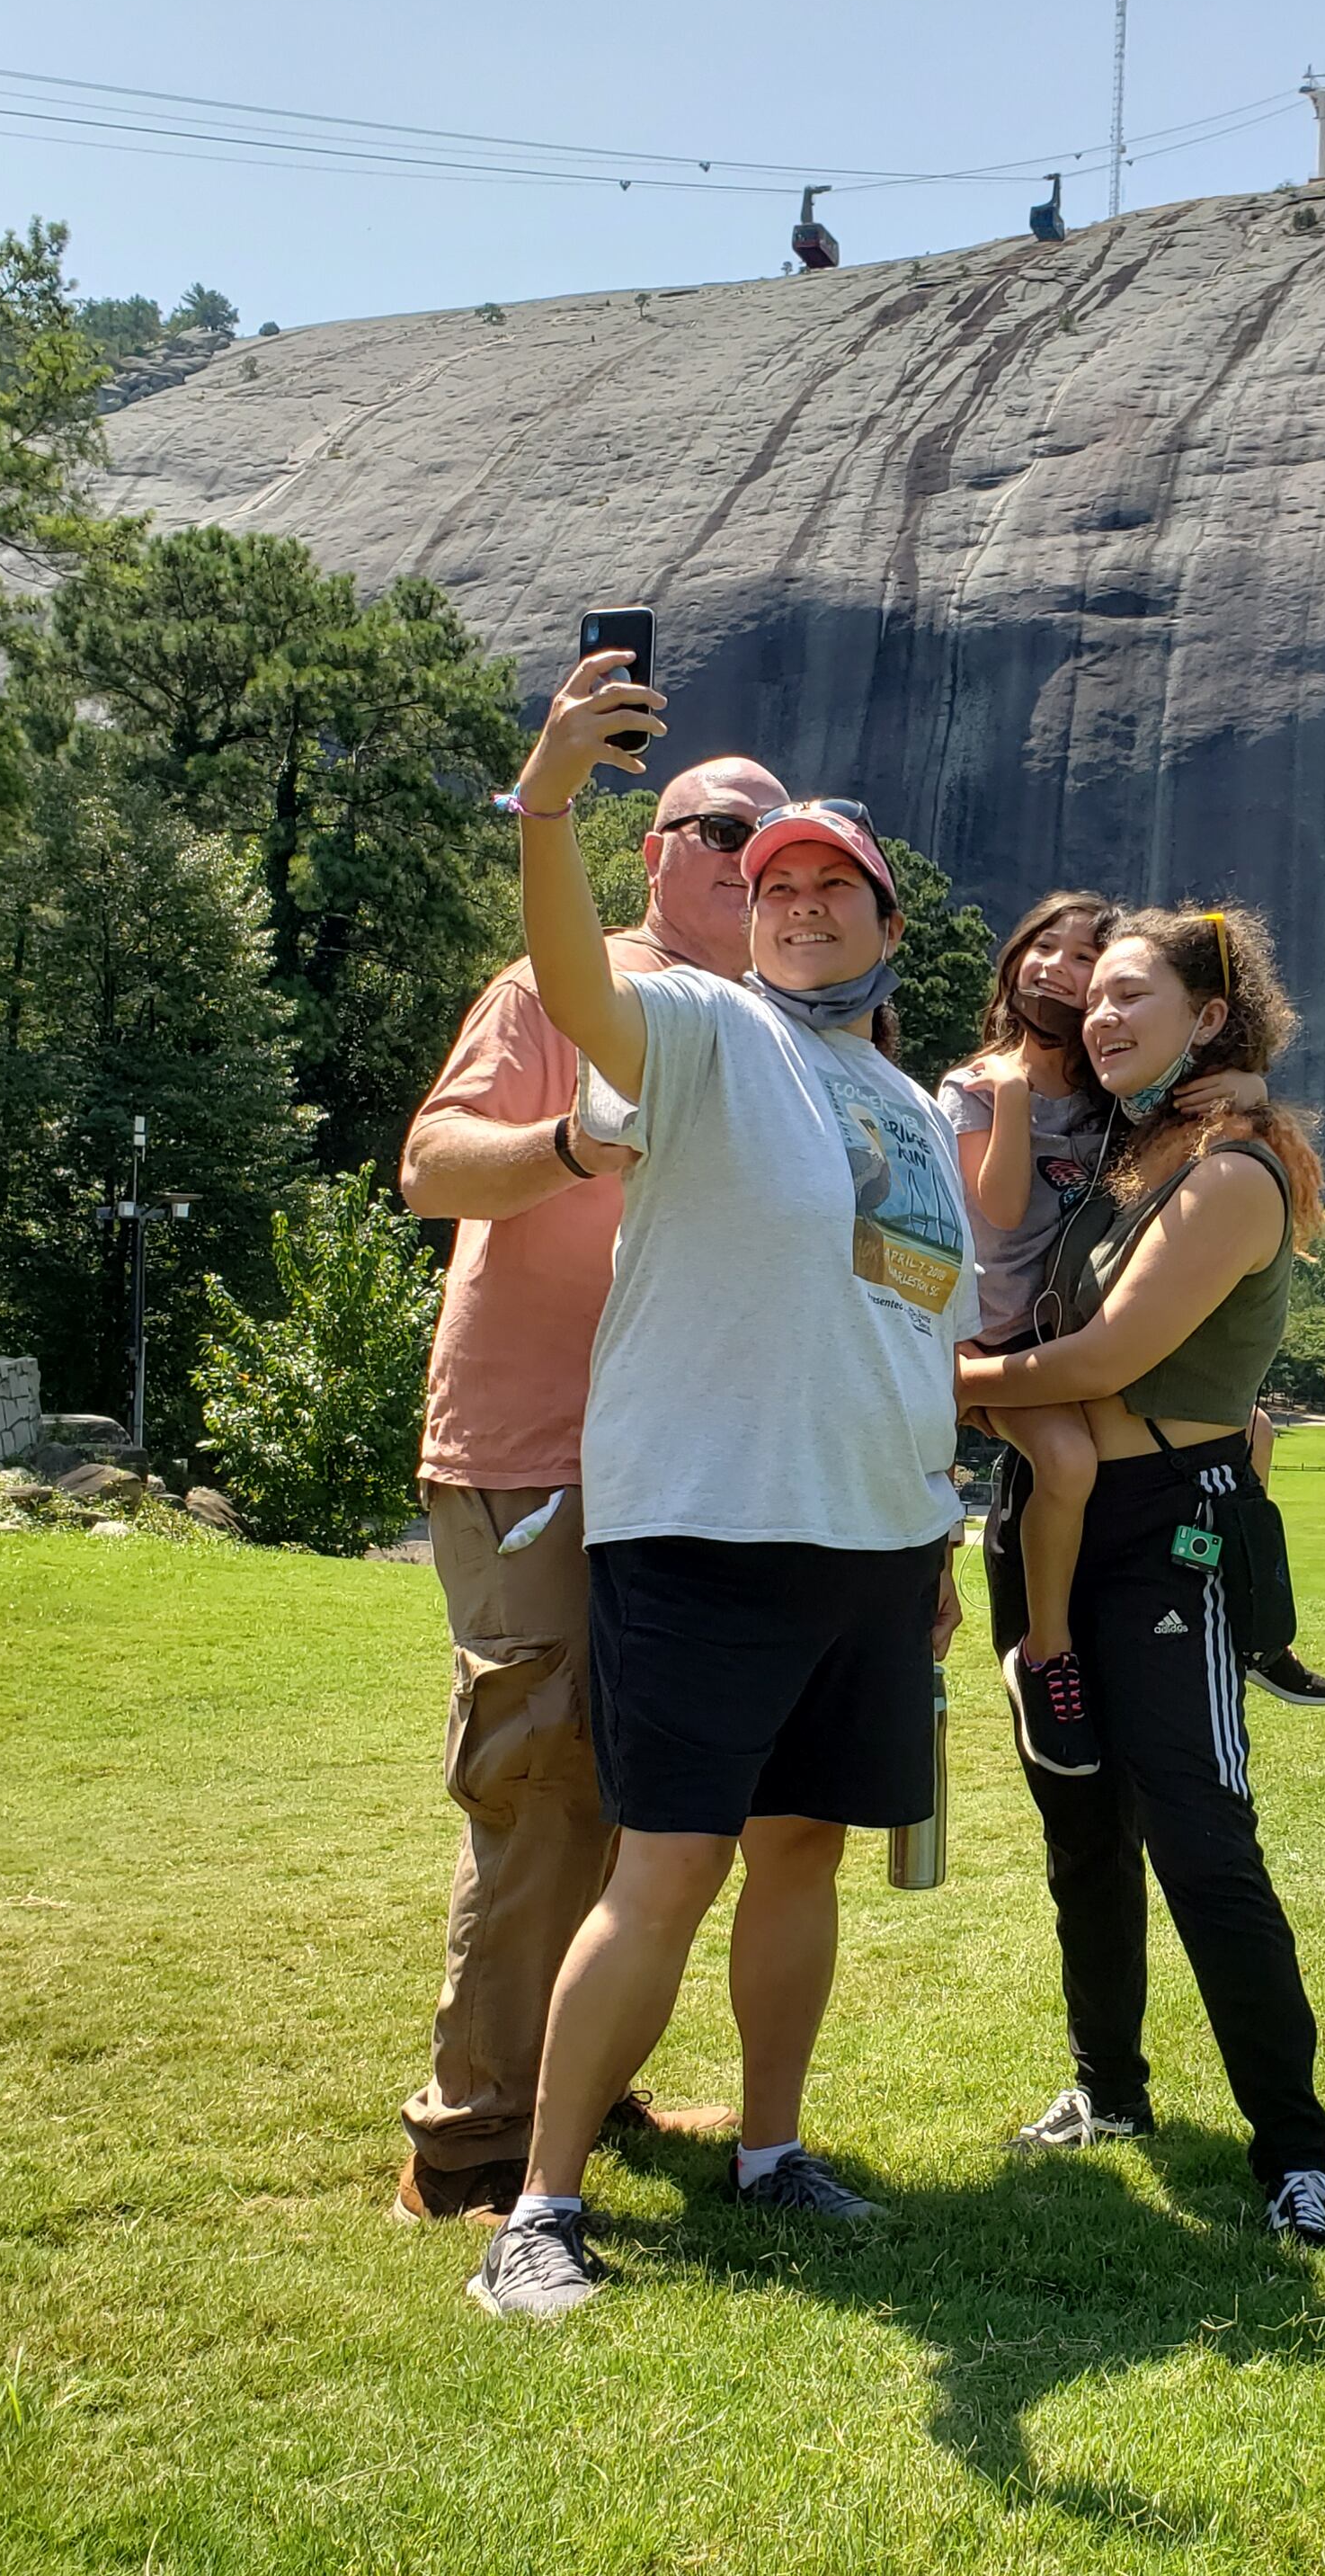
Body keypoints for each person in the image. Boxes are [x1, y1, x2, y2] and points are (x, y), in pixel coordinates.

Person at [469, 650, 974, 2321]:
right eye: (779, 885)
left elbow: (913, 1331)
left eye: (839, 886)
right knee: (666, 1867)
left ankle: (773, 2153)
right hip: (706, 1529)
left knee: (806, 1857)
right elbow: (571, 978)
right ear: (745, 918)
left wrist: (938, 1540)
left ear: (891, 925)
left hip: (874, 1542)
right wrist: (549, 801)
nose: (806, 905)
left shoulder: (904, 1103)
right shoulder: (694, 1028)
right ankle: (538, 2208)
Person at [387, 753, 787, 2224]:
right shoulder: (558, 987)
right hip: (532, 1451)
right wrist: (568, 1144)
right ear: (656, 850)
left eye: (778, 838)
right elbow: (431, 1165)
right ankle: (470, 2147)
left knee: (639, 1798)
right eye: (726, 830)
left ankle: (581, 2085)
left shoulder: (764, 1033)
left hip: (678, 1473)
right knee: (542, 1787)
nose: (753, 861)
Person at [955, 904, 1325, 2246]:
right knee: (1082, 1825)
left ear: (1212, 1019)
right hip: (1050, 1511)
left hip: (1168, 1532)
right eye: (1097, 999)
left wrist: (928, 1381)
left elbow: (1100, 1363)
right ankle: (1106, 2091)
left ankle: (1296, 2156)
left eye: (1138, 995)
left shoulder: (1230, 1172)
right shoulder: (1132, 1149)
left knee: (1199, 1838)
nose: (1104, 1016)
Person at [939, 896, 1325, 1762]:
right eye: (1043, 949)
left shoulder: (1107, 1104)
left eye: (1089, 968)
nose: (1067, 980)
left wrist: (1251, 1085)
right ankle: (1047, 1652)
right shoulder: (981, 1086)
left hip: (1062, 1362)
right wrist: (1010, 1095)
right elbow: (999, 1208)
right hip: (996, 1341)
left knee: (1253, 1430)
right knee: (1069, 1461)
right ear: (1011, 964)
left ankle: (1256, 1616)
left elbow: (1176, 1095)